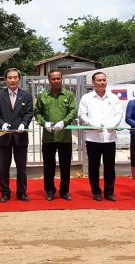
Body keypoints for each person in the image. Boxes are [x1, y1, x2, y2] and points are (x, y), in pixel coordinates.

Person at [77, 72, 123, 201]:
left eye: (104, 80)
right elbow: (82, 114)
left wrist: (113, 125)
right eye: (99, 80)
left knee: (110, 167)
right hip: (93, 138)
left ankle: (109, 192)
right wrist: (93, 123)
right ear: (93, 82)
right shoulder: (86, 98)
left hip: (109, 137)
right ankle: (96, 191)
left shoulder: (113, 97)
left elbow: (119, 114)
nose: (102, 82)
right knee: (93, 166)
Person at [0, 68, 34, 202]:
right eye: (10, 77)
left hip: (20, 137)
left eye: (15, 77)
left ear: (19, 79)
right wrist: (1, 124)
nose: (13, 80)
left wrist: (24, 124)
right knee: (4, 167)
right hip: (4, 136)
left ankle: (21, 192)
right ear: (5, 80)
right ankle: (5, 192)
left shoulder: (26, 96)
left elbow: (29, 113)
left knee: (21, 168)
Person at [34, 70, 77, 201]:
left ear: (62, 79)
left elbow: (73, 111)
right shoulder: (43, 96)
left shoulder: (69, 95)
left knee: (65, 166)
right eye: (53, 79)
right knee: (48, 166)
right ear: (49, 80)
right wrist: (43, 123)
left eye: (58, 78)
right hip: (48, 137)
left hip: (65, 137)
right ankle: (50, 190)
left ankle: (64, 191)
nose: (56, 81)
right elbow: (37, 112)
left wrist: (64, 122)